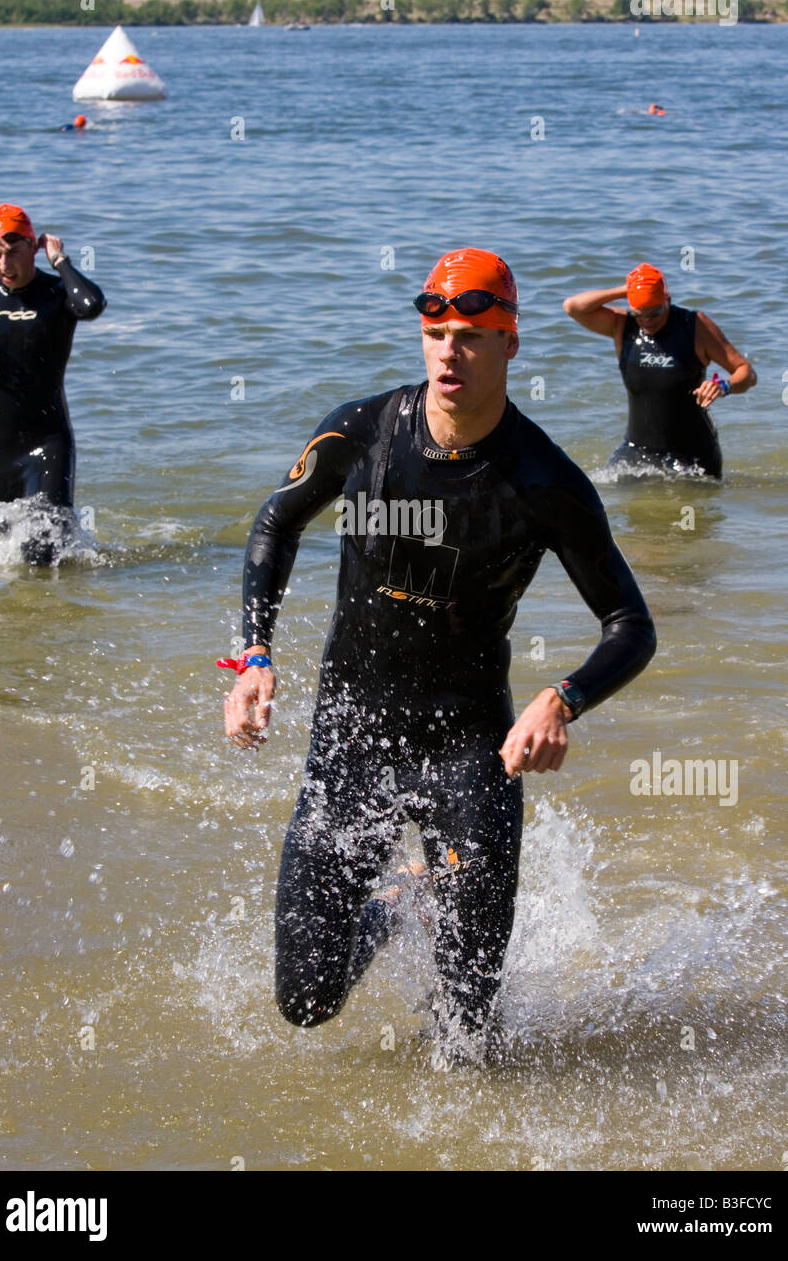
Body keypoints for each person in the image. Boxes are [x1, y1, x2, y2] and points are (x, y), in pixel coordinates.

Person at [221, 248, 656, 1047]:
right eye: (439, 332)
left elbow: (631, 624)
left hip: (469, 751)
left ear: (510, 344)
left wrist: (562, 698)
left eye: (474, 335)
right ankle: (395, 907)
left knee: (469, 1032)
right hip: (353, 737)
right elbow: (275, 523)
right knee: (305, 1000)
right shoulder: (361, 433)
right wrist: (255, 655)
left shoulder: (545, 482)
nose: (451, 352)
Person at [0, 204, 106, 563]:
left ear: (33, 248)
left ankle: (51, 614)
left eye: (13, 253)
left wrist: (61, 261)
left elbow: (91, 305)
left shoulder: (56, 294)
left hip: (47, 441)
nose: (4, 264)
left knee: (42, 552)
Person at [563, 263, 757, 479]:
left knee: (693, 510)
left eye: (654, 313)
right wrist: (629, 289)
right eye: (639, 314)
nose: (646, 321)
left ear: (668, 300)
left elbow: (747, 373)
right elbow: (573, 306)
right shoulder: (622, 326)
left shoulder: (694, 326)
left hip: (693, 453)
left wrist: (722, 386)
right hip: (637, 450)